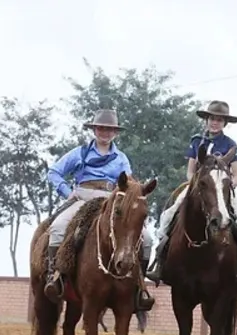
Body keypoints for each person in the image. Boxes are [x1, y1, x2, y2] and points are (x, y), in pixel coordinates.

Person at [43, 109, 155, 311]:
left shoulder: (121, 158)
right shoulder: (80, 153)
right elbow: (54, 172)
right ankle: (56, 276)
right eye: (101, 128)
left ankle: (140, 286)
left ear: (115, 133)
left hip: (111, 201)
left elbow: (128, 185)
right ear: (94, 129)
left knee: (146, 239)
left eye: (109, 129)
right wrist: (67, 192)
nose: (105, 132)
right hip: (82, 197)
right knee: (58, 228)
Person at [145, 100, 237, 283]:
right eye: (212, 119)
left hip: (223, 190)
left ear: (224, 123)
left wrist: (225, 185)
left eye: (219, 120)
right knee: (168, 214)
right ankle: (159, 262)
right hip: (198, 187)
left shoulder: (230, 144)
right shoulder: (197, 141)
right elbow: (190, 171)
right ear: (206, 120)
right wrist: (196, 185)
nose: (215, 123)